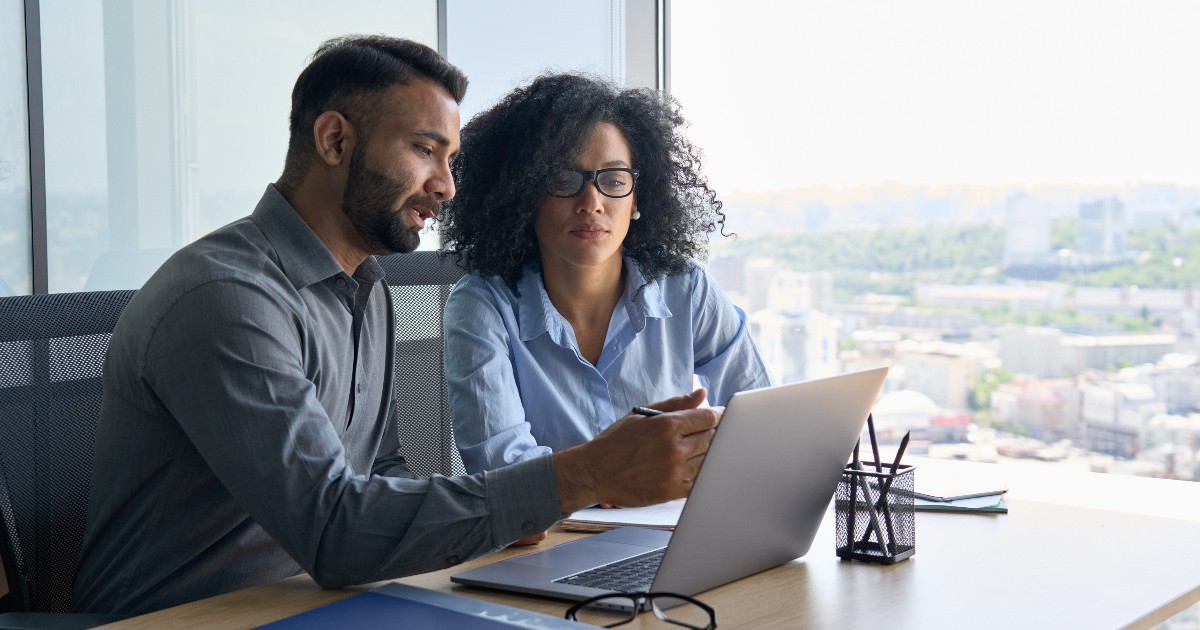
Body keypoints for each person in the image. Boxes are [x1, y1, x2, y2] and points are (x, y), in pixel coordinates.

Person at [71, 36, 719, 616]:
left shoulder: (366, 288)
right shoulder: (226, 300)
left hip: (325, 603)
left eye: (451, 158)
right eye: (424, 151)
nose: (447, 186)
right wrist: (582, 475)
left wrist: (509, 509)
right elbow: (334, 530)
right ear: (334, 141)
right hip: (194, 617)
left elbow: (380, 474)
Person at [438, 74, 772, 483]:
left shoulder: (686, 287)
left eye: (613, 181)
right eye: (563, 180)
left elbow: (759, 418)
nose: (592, 203)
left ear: (636, 200)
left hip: (670, 528)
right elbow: (504, 473)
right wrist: (619, 476)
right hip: (550, 539)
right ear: (524, 196)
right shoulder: (481, 306)